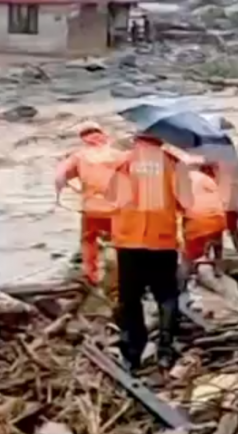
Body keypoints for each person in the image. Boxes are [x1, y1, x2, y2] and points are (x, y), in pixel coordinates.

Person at [109, 130, 188, 370]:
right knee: (166, 295)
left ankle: (132, 352)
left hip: (129, 240)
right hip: (161, 240)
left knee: (130, 298)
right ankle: (165, 349)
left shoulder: (124, 162)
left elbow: (112, 198)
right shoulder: (173, 163)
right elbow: (186, 202)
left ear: (136, 138)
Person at [54, 121, 123, 286]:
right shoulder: (118, 155)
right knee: (120, 241)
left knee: (88, 240)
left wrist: (63, 192)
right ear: (103, 135)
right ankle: (120, 274)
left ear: (83, 138)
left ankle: (92, 275)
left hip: (92, 209)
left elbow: (60, 177)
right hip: (116, 208)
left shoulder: (79, 156)